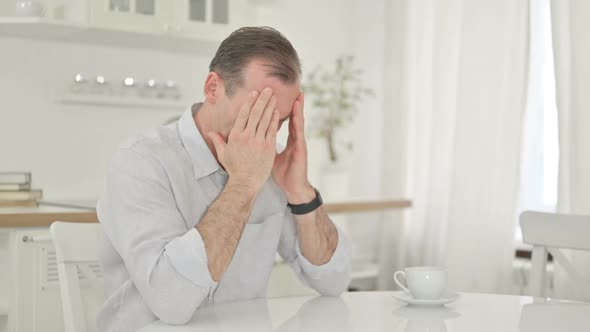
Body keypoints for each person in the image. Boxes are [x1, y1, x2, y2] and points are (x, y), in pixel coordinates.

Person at [97, 26, 351, 332]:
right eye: (256, 114)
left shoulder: (273, 167)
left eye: (278, 121)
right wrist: (243, 185)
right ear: (213, 88)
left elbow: (333, 280)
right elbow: (171, 304)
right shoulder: (141, 161)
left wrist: (302, 193)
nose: (265, 133)